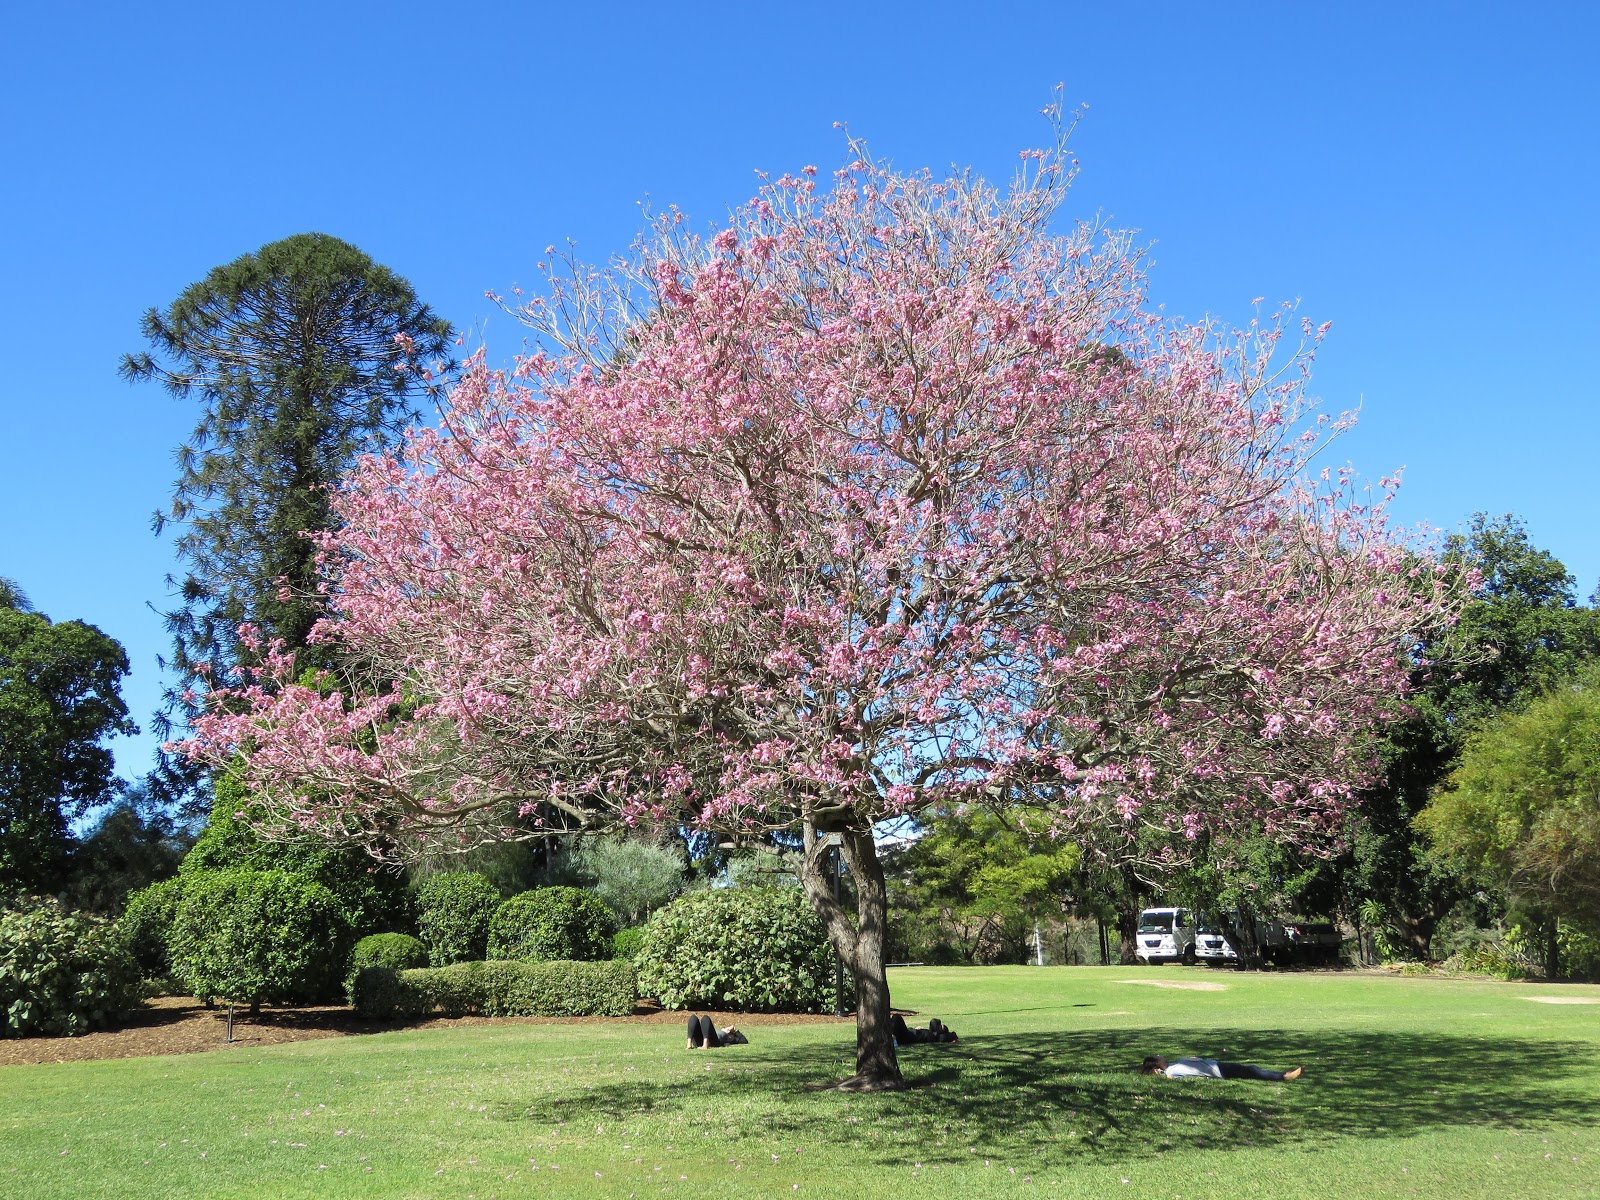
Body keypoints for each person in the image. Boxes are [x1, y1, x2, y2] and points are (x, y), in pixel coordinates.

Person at [1140, 1055, 1303, 1081]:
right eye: (1157, 1057)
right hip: (1218, 1071)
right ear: (1156, 1063)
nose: (1160, 1055)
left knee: (1250, 1070)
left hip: (1217, 1066)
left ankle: (1282, 1075)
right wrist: (1159, 1075)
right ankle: (1284, 1076)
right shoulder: (1171, 1072)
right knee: (1252, 1071)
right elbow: (1172, 1079)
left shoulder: (1174, 1065)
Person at [891, 1013, 958, 1045]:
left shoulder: (937, 1037)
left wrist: (953, 1036)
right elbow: (933, 1022)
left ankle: (891, 1039)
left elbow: (952, 1036)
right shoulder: (931, 1032)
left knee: (896, 1017)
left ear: (942, 1031)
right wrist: (917, 1029)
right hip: (908, 1032)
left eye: (941, 1027)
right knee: (893, 1018)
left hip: (907, 1037)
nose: (939, 1026)